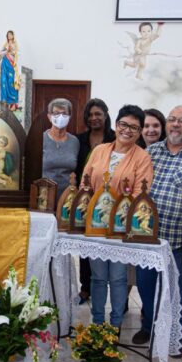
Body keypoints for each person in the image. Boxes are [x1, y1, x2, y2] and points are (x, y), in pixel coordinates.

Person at [133, 106, 182, 358]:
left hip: (178, 240)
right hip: (146, 236)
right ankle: (149, 326)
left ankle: (177, 335)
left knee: (179, 291)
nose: (176, 125)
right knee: (146, 287)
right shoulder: (152, 151)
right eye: (173, 120)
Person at [82, 105, 154, 332]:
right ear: (116, 125)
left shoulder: (142, 158)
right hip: (95, 225)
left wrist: (117, 212)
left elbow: (141, 193)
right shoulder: (100, 150)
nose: (128, 130)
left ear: (140, 131)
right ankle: (97, 322)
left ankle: (114, 326)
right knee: (98, 277)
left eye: (134, 127)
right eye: (124, 124)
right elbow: (85, 181)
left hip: (121, 229)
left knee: (119, 278)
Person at [75, 99, 116, 304]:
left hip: (110, 198)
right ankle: (86, 288)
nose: (94, 118)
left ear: (106, 115)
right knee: (86, 244)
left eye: (98, 114)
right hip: (85, 197)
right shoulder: (79, 139)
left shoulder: (114, 139)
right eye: (90, 115)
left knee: (108, 244)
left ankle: (111, 289)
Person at [42, 98, 80, 201]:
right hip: (44, 196)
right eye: (56, 113)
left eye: (64, 113)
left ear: (70, 117)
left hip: (68, 198)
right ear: (49, 116)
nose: (60, 117)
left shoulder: (74, 141)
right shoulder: (40, 139)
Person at [0, 30, 20, 110]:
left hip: (11, 64)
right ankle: (4, 101)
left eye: (11, 35)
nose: (9, 36)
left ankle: (13, 102)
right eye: (8, 35)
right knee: (4, 81)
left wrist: (11, 51)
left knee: (11, 82)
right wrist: (6, 50)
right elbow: (0, 54)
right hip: (4, 64)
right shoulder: (5, 44)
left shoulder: (15, 44)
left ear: (13, 36)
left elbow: (17, 54)